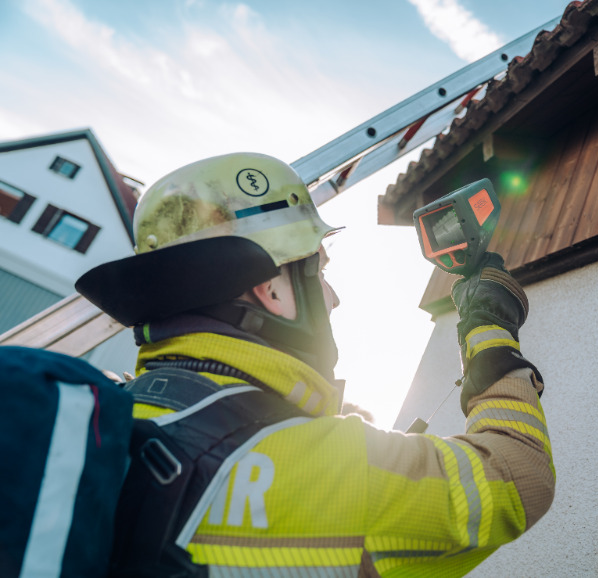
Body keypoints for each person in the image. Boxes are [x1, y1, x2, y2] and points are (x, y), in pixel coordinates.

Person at [77, 152, 555, 577]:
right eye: (319, 270)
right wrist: (488, 327)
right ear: (273, 290)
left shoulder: (100, 419)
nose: (334, 298)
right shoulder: (335, 465)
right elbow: (516, 478)